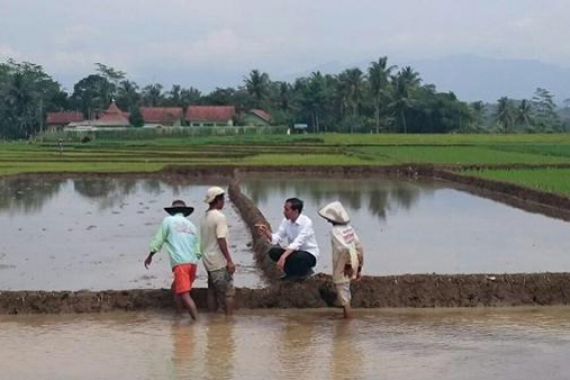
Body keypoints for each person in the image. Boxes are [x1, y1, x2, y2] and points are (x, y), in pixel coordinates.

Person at [144, 200, 201, 321]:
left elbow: (159, 239)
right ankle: (178, 315)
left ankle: (196, 321)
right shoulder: (191, 225)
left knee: (185, 294)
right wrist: (193, 259)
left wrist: (150, 255)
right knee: (175, 288)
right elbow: (198, 249)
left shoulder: (168, 221)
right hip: (192, 263)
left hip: (180, 263)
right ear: (185, 212)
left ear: (172, 211)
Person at [318, 201, 364, 318]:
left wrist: (347, 265)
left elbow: (344, 248)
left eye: (329, 219)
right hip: (353, 260)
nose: (328, 220)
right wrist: (359, 266)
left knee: (343, 294)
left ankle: (347, 322)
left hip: (343, 264)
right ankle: (346, 318)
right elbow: (359, 246)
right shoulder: (349, 228)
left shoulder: (335, 231)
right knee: (345, 291)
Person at [257, 197, 319, 280]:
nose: (284, 212)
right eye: (284, 209)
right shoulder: (286, 222)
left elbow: (297, 243)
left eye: (287, 210)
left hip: (308, 255)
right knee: (273, 252)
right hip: (294, 253)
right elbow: (277, 237)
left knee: (298, 257)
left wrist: (283, 257)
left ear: (296, 211)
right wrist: (267, 232)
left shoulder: (306, 222)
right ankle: (290, 274)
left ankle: (304, 273)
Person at [200, 186, 236, 315]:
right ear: (218, 200)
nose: (224, 202)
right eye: (223, 199)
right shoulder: (219, 217)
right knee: (228, 293)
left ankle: (213, 319)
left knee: (211, 290)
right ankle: (229, 322)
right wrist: (229, 261)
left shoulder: (205, 216)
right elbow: (221, 240)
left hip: (208, 260)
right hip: (218, 261)